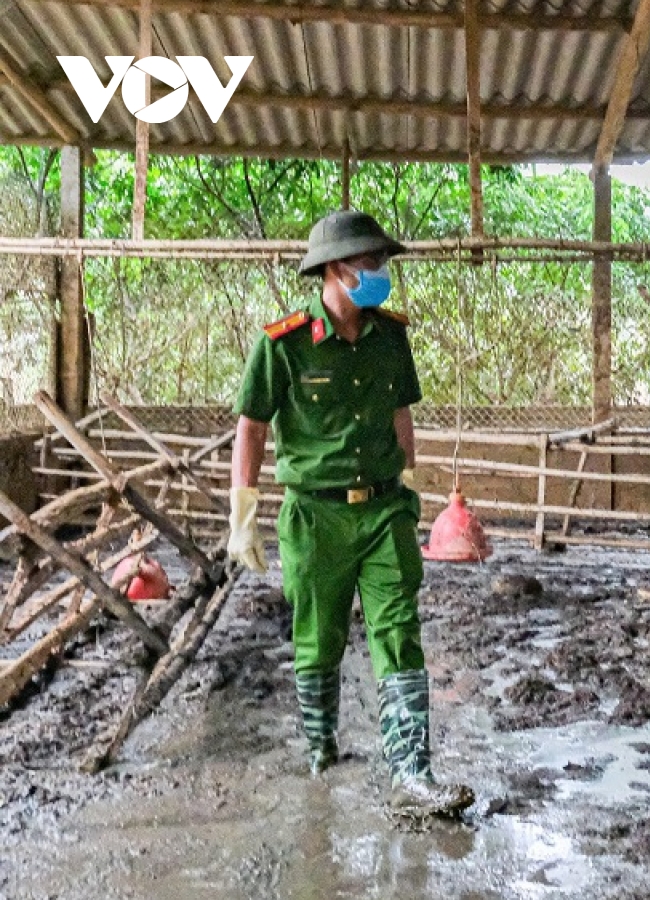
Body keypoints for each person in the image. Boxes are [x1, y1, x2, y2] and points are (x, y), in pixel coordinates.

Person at [226, 209, 473, 817]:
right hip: (316, 517)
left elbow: (400, 413)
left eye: (383, 263)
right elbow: (251, 426)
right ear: (336, 269)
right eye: (371, 264)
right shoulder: (281, 343)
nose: (381, 273)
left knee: (398, 630)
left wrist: (409, 480)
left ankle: (412, 774)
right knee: (319, 638)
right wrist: (243, 510)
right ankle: (321, 746)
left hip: (385, 510)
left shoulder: (391, 336)